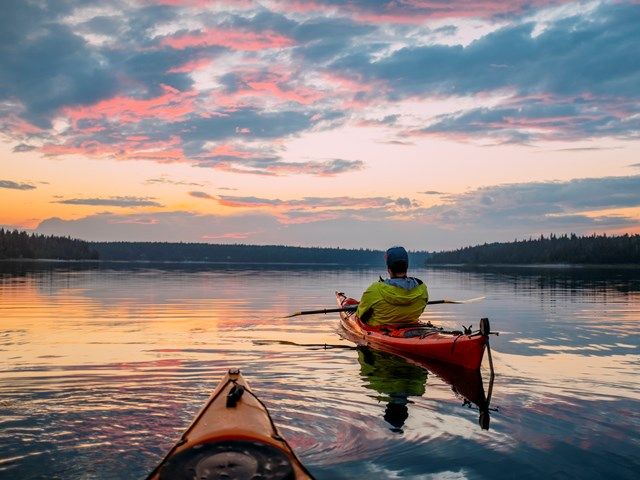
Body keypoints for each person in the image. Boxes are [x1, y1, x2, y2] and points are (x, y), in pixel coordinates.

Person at [356, 246, 428, 326]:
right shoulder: (422, 288)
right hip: (412, 328)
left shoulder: (374, 290)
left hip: (380, 331)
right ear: (406, 267)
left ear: (388, 269)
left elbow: (360, 315)